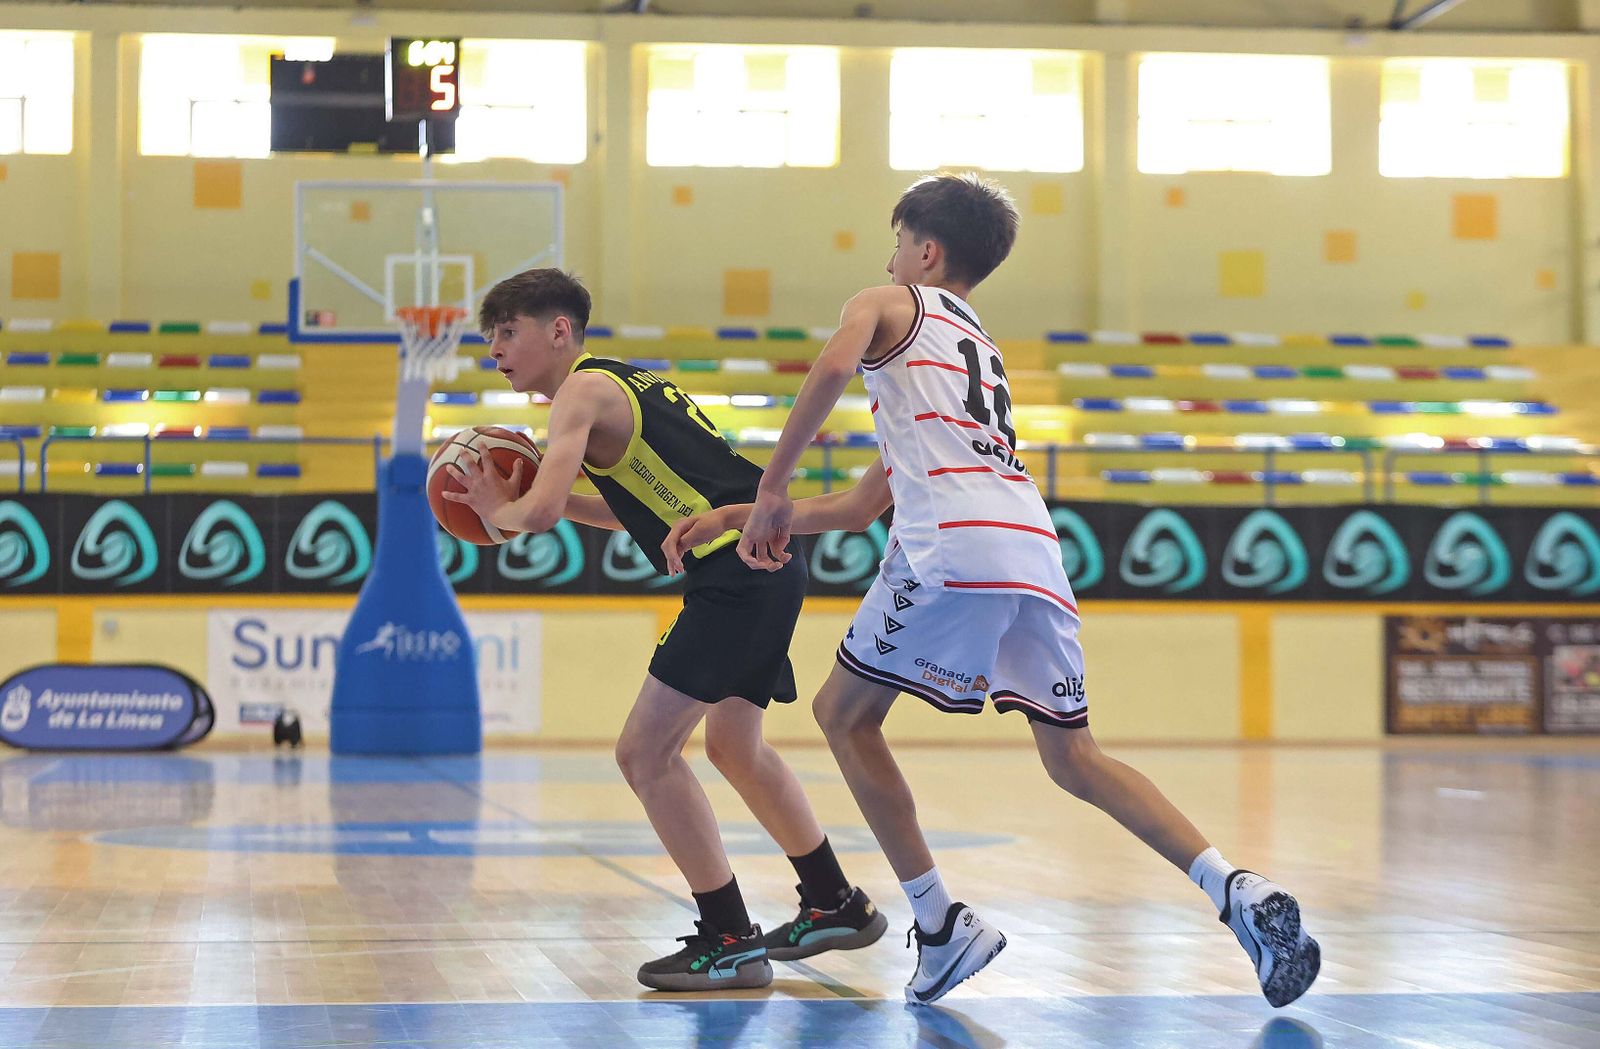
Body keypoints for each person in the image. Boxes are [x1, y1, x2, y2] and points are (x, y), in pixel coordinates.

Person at [663, 173, 1321, 1008]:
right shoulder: (975, 352)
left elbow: (832, 364)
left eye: (897, 242)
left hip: (956, 544)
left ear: (925, 250)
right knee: (1075, 756)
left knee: (842, 714)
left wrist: (768, 490)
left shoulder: (886, 301)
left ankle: (939, 923)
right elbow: (867, 503)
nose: (891, 257)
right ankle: (1234, 887)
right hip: (1033, 550)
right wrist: (743, 512)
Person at [444, 268, 887, 992]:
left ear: (559, 331)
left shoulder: (579, 394)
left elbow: (544, 513)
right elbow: (634, 509)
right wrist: (528, 498)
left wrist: (499, 507)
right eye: (490, 336)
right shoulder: (626, 384)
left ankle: (729, 935)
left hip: (737, 569)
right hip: (762, 558)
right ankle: (834, 898)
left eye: (507, 332)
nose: (495, 349)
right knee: (733, 745)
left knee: (645, 753)